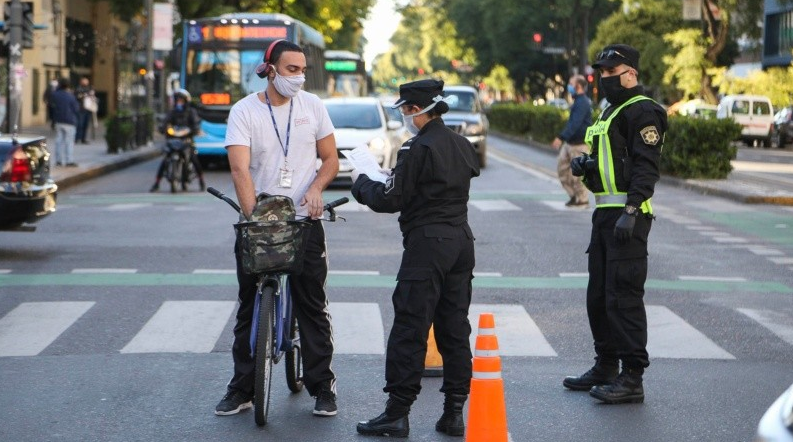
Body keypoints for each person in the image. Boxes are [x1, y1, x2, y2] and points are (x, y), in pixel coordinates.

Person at [218, 39, 340, 417]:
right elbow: (240, 169)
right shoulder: (244, 111)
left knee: (312, 306)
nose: (299, 77)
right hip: (257, 222)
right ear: (270, 69)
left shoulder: (314, 107)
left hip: (304, 222)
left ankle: (323, 387)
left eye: (303, 70)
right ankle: (242, 389)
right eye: (291, 70)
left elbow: (331, 157)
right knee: (249, 306)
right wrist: (254, 217)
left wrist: (317, 189)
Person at [352, 79, 480, 438]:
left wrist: (361, 183)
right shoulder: (461, 144)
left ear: (414, 110)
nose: (405, 116)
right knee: (454, 327)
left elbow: (390, 199)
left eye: (405, 110)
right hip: (461, 241)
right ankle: (454, 412)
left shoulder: (416, 148)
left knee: (410, 326)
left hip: (427, 245)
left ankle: (397, 413)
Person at [563, 44, 667, 404]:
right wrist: (586, 167)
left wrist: (633, 209)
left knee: (623, 297)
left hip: (628, 216)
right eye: (602, 74)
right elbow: (608, 164)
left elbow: (644, 167)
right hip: (605, 213)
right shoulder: (609, 112)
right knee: (599, 297)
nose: (604, 79)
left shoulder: (643, 111)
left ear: (631, 74)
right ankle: (606, 365)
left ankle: (632, 377)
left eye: (612, 72)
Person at [149, 89, 206, 192]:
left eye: (181, 100)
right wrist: (163, 128)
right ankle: (157, 183)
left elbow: (196, 123)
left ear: (185, 101)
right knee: (165, 160)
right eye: (177, 100)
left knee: (194, 159)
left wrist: (194, 129)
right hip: (173, 140)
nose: (179, 102)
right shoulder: (172, 112)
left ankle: (201, 181)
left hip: (187, 141)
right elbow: (165, 122)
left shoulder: (191, 112)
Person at [551, 74, 592, 208]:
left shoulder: (583, 102)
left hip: (579, 144)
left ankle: (582, 199)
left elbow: (575, 124)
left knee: (578, 175)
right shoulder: (577, 101)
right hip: (570, 143)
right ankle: (574, 196)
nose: (568, 86)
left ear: (578, 86)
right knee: (562, 170)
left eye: (570, 83)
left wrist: (561, 137)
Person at [49, 78, 80, 167]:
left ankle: (58, 160)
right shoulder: (70, 96)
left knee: (59, 141)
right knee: (69, 142)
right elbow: (76, 108)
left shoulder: (55, 95)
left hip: (58, 120)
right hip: (70, 121)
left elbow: (51, 105)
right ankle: (69, 160)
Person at [74, 77, 95, 144]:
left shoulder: (89, 88)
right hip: (81, 109)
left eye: (87, 81)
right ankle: (77, 138)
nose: (86, 83)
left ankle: (83, 138)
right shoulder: (78, 88)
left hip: (88, 108)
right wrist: (85, 95)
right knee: (80, 124)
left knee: (86, 124)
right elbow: (77, 96)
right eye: (85, 81)